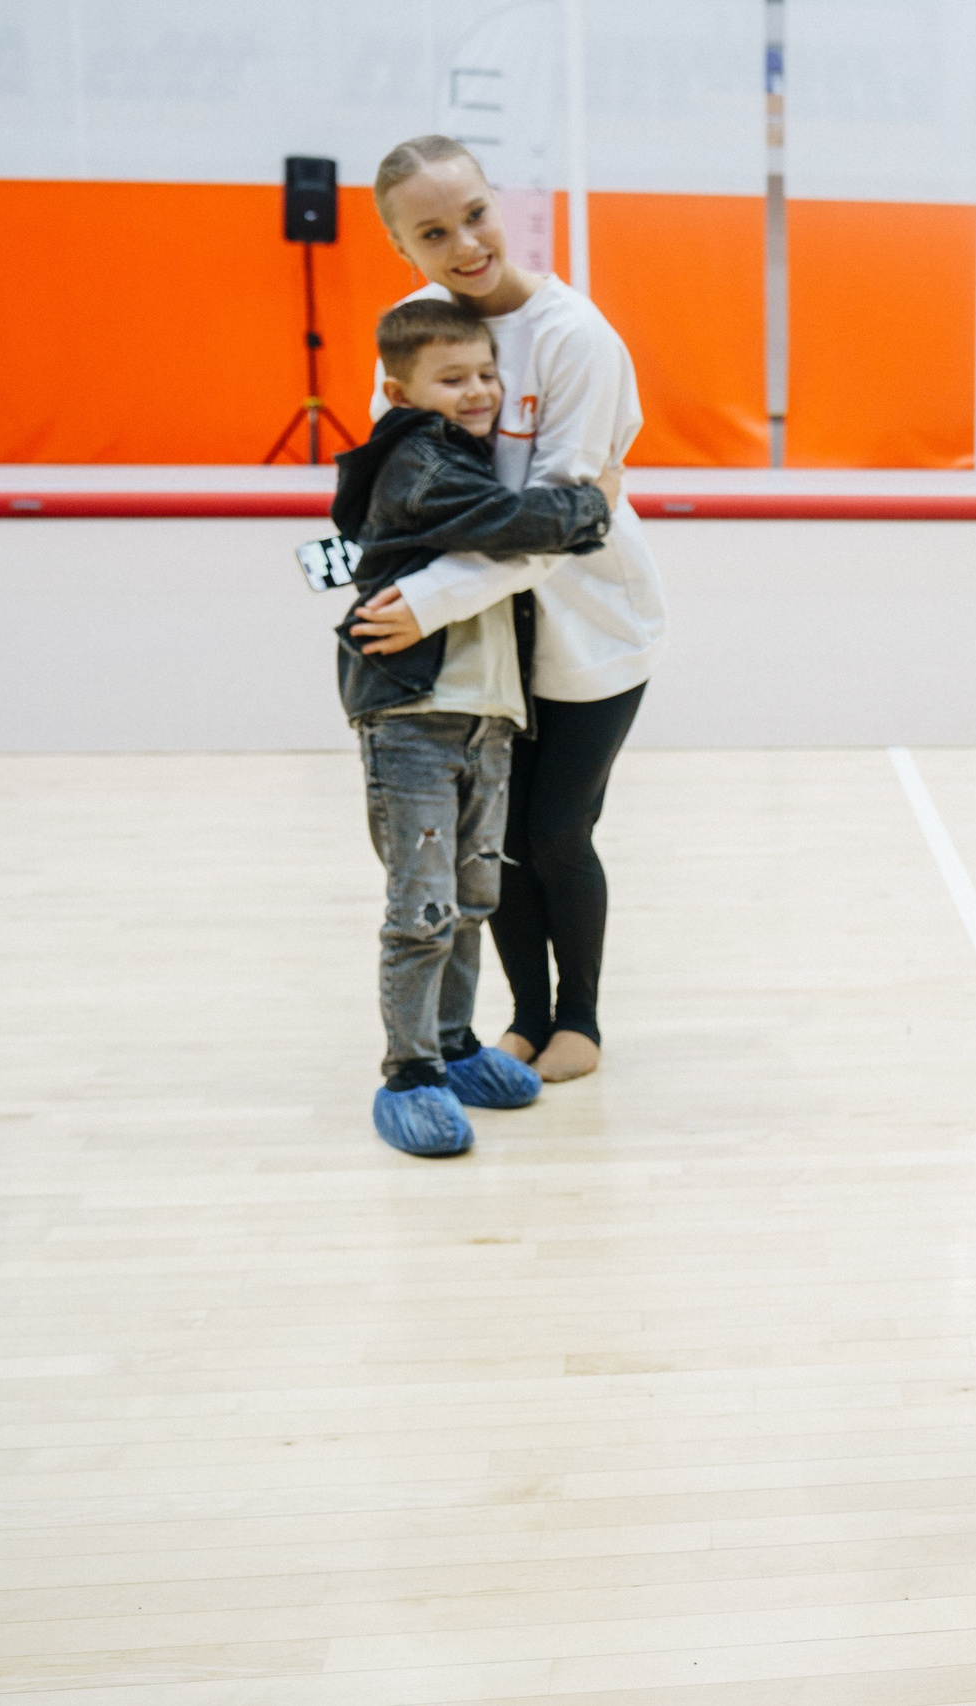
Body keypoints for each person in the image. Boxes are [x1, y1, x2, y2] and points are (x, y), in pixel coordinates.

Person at [349, 135, 666, 1086]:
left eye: (475, 214)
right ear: (403, 248)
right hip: (480, 645)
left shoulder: (576, 338)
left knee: (556, 830)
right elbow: (410, 489)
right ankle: (525, 1016)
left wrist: (430, 598)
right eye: (433, 232)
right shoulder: (411, 325)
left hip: (589, 630)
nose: (465, 245)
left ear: (502, 205)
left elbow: (564, 527)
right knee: (497, 837)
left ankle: (581, 1019)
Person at [332, 299, 620, 1157]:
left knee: (469, 900)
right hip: (416, 719)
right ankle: (410, 1072)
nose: (478, 391)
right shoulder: (421, 464)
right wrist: (595, 504)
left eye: (488, 374)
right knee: (422, 908)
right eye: (452, 379)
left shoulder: (469, 456)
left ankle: (455, 1046)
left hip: (484, 714)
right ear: (400, 390)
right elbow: (517, 526)